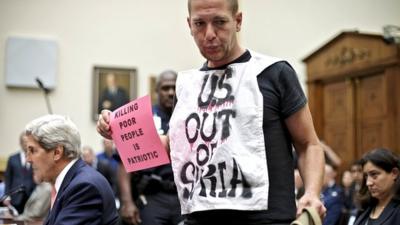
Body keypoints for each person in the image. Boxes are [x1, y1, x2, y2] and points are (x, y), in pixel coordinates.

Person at [97, 0, 326, 224]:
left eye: (219, 22)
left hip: (266, 217)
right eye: (199, 24)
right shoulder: (187, 86)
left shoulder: (274, 73)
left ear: (238, 21)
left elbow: (309, 144)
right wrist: (120, 131)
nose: (209, 34)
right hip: (200, 216)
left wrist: (312, 193)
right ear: (189, 25)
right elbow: (176, 146)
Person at [25, 114, 119, 225]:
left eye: (33, 151)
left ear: (57, 152)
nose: (28, 159)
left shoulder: (84, 187)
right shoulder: (71, 181)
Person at [118, 70, 183, 225]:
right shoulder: (142, 118)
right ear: (156, 91)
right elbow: (124, 165)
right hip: (153, 194)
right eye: (165, 88)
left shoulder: (189, 116)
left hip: (184, 196)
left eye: (174, 88)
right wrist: (127, 202)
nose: (171, 92)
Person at [353, 148, 400, 225]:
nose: (368, 183)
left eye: (374, 174)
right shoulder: (365, 207)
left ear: (394, 173)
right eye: (366, 176)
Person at [4, 132, 36, 214]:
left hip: (31, 197)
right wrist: (6, 196)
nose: (25, 144)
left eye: (27, 142)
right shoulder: (12, 158)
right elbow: (8, 179)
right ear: (20, 143)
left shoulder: (35, 158)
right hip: (15, 196)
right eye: (24, 142)